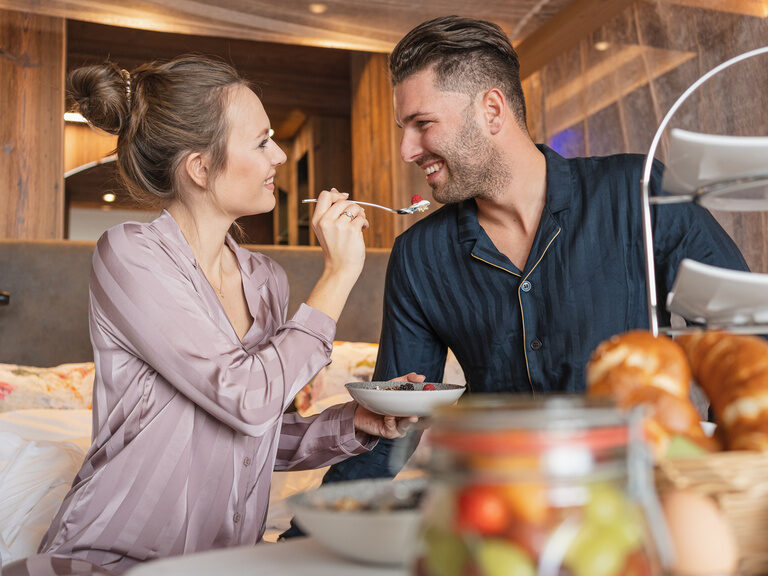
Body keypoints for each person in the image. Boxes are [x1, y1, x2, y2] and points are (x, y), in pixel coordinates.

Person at [280, 15, 749, 538]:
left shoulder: (638, 193)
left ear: (492, 110)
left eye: (422, 123)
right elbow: (395, 422)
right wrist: (300, 544)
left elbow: (746, 343)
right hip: (501, 527)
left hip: (650, 519)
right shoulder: (418, 255)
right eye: (402, 129)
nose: (408, 150)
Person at [5, 55, 417, 575]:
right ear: (201, 167)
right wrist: (337, 276)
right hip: (112, 558)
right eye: (263, 141)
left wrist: (355, 424)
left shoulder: (266, 279)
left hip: (226, 561)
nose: (282, 156)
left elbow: (254, 437)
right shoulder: (131, 255)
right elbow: (245, 396)